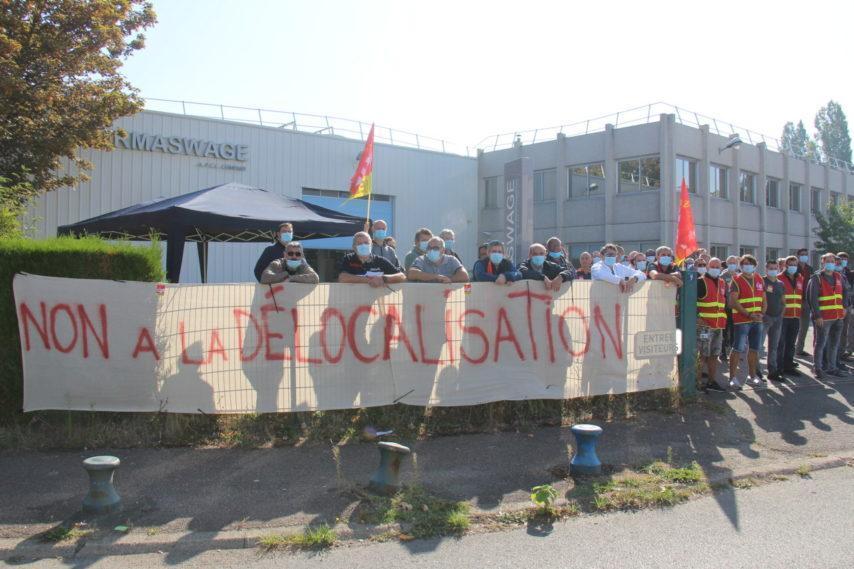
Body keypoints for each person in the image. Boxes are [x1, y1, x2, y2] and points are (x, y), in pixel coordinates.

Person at [728, 254, 766, 389]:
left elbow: (764, 298)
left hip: (758, 320)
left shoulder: (759, 278)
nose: (747, 265)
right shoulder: (736, 280)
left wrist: (762, 313)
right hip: (742, 320)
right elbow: (733, 301)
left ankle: (752, 376)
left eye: (750, 263)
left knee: (755, 349)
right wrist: (749, 314)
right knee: (737, 348)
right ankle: (732, 378)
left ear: (755, 265)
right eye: (744, 263)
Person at [806, 253, 845, 378]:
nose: (830, 263)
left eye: (832, 261)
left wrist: (844, 307)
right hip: (824, 317)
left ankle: (831, 368)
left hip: (838, 317)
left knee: (834, 344)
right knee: (820, 343)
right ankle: (817, 368)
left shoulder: (838, 276)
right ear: (822, 262)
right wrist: (817, 316)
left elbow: (844, 293)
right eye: (827, 261)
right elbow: (812, 299)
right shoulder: (816, 278)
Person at [695, 257, 727, 391]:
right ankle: (696, 384)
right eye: (712, 266)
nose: (715, 268)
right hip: (704, 327)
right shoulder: (700, 282)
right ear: (708, 267)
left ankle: (711, 382)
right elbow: (691, 302)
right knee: (701, 355)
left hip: (718, 326)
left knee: (714, 355)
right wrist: (698, 318)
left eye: (717, 266)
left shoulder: (722, 282)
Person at [338, 232, 406, 287]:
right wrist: (369, 280)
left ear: (371, 245)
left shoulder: (380, 261)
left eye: (366, 243)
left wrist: (383, 278)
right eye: (359, 243)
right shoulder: (348, 258)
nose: (363, 245)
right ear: (353, 247)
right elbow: (342, 278)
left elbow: (402, 276)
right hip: (354, 300)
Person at [779, 255, 805, 376]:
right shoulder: (779, 278)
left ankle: (788, 366)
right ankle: (778, 367)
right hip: (783, 316)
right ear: (785, 265)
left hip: (795, 316)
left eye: (795, 265)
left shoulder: (800, 278)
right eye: (791, 264)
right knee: (781, 342)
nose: (793, 267)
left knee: (791, 343)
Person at [762, 259, 785, 381]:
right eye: (770, 268)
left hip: (777, 318)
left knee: (774, 346)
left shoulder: (780, 284)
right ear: (766, 269)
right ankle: (756, 371)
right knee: (759, 346)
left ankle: (773, 371)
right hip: (765, 318)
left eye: (775, 268)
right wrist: (763, 314)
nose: (773, 270)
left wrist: (781, 313)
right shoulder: (762, 281)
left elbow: (783, 301)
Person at [719, 255, 741, 363]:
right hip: (725, 307)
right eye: (730, 262)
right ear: (727, 264)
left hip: (736, 308)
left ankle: (734, 353)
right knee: (724, 331)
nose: (732, 264)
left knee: (734, 332)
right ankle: (722, 352)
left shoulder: (739, 276)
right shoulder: (723, 275)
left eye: (734, 262)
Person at [795, 248, 814, 356]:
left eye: (806, 255)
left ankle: (799, 349)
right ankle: (790, 349)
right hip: (795, 301)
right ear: (798, 256)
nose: (804, 256)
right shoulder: (793, 268)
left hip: (806, 300)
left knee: (804, 326)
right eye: (802, 254)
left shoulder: (810, 269)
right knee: (793, 327)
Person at [837, 251, 853, 367]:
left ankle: (842, 353)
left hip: (847, 305)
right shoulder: (832, 272)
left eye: (845, 258)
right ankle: (834, 355)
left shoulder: (849, 273)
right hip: (835, 306)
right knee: (836, 330)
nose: (843, 260)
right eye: (841, 258)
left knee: (845, 330)